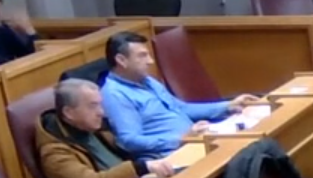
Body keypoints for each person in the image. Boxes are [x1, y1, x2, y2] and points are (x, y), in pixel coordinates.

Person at [101, 31, 265, 158]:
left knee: (255, 144)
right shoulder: (115, 95)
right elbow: (129, 141)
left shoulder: (147, 81)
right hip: (171, 155)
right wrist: (180, 139)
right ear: (121, 60)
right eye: (142, 56)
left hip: (195, 141)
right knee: (245, 155)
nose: (150, 61)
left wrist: (228, 106)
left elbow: (181, 108)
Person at [35, 79, 176, 178]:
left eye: (100, 105)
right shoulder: (55, 153)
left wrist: (149, 162)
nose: (101, 112)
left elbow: (127, 151)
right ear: (69, 113)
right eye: (92, 106)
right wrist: (141, 167)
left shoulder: (94, 128)